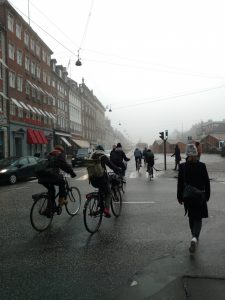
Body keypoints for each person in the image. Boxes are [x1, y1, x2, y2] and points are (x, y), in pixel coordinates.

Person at [177, 144, 210, 254]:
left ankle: (193, 236)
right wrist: (207, 195)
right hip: (200, 197)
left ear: (186, 154)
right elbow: (207, 182)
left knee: (191, 217)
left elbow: (180, 184)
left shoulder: (182, 167)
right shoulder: (202, 166)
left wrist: (179, 197)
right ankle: (195, 237)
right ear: (196, 153)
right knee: (198, 218)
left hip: (188, 197)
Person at [37, 145, 76, 214]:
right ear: (61, 150)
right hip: (50, 176)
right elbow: (64, 166)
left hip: (41, 177)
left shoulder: (49, 155)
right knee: (62, 183)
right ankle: (61, 200)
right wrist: (72, 173)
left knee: (51, 191)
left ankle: (49, 209)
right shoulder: (60, 154)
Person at [90, 144, 121, 218]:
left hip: (93, 180)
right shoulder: (103, 157)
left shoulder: (91, 156)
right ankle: (106, 209)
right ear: (102, 150)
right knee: (109, 193)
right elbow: (111, 165)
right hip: (101, 180)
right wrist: (118, 169)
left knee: (101, 190)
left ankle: (100, 206)